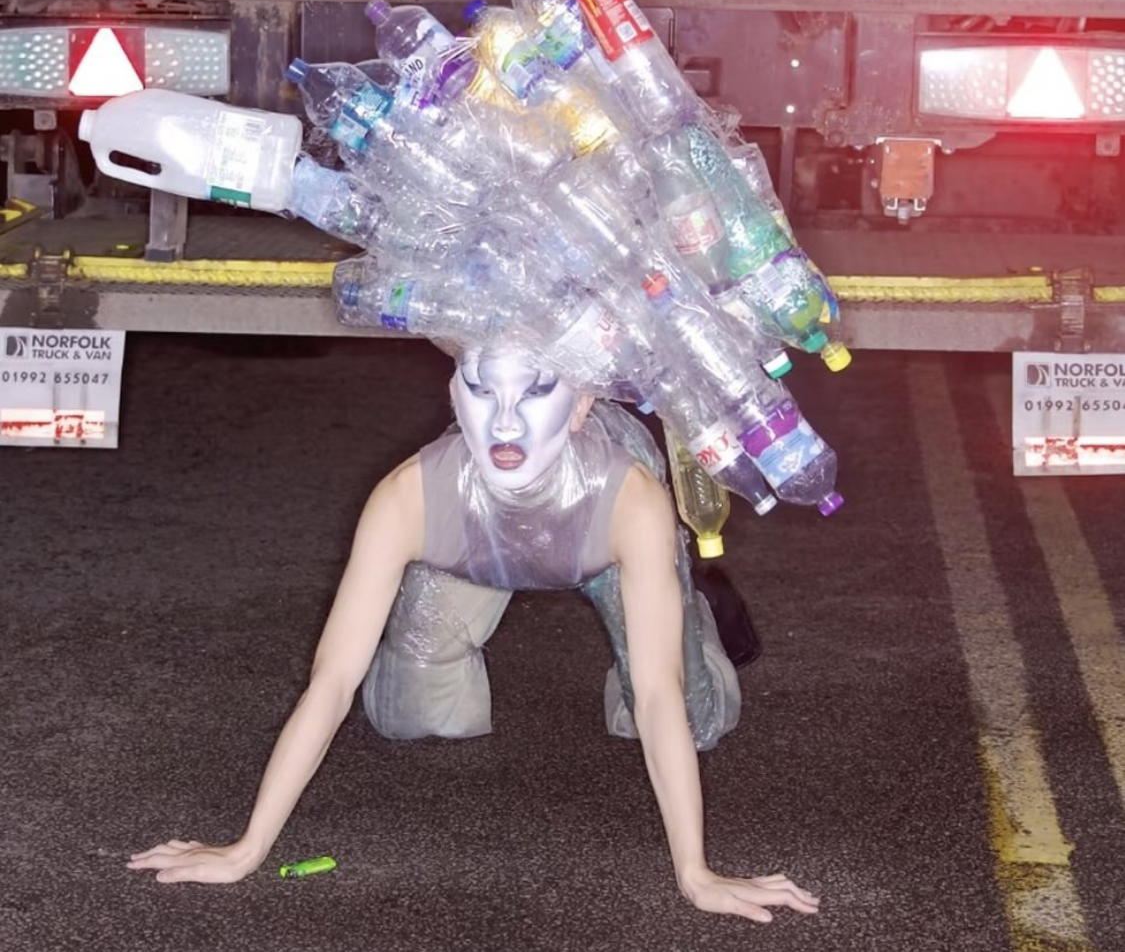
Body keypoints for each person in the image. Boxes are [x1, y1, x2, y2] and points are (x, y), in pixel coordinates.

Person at [127, 345, 820, 926]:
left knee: (686, 716)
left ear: (581, 406)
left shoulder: (630, 497)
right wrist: (246, 848)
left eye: (539, 390)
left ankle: (690, 614)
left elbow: (662, 697)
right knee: (409, 715)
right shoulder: (409, 497)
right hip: (476, 542)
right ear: (454, 396)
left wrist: (695, 874)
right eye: (482, 391)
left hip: (595, 544)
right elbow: (332, 679)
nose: (506, 418)